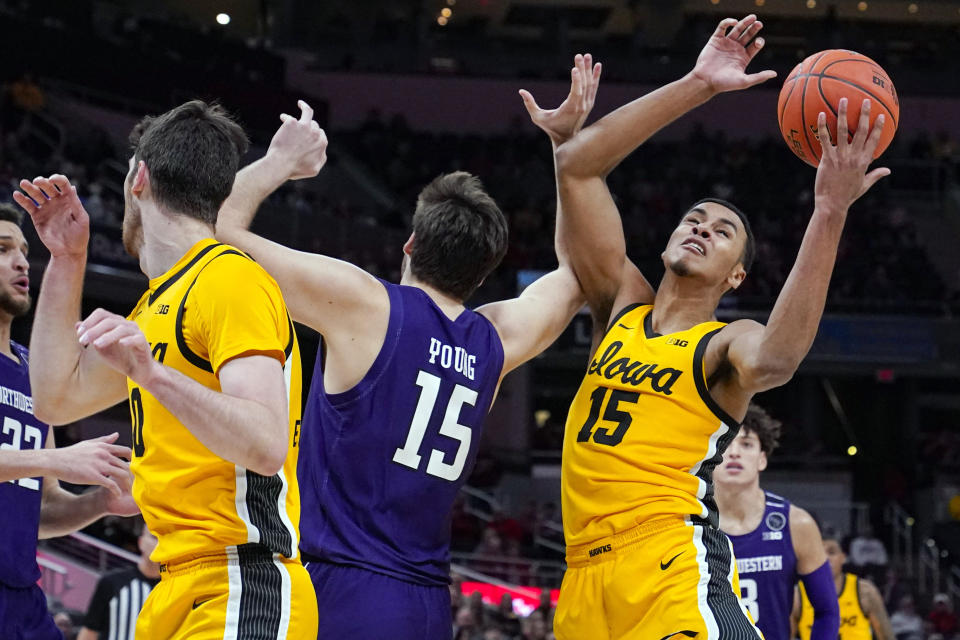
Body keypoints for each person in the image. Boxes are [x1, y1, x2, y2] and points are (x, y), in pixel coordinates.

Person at [520, 14, 891, 639]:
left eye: (723, 232)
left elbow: (777, 358)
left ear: (736, 277)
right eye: (694, 218)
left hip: (670, 565)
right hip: (583, 579)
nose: (701, 228)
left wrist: (828, 212)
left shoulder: (722, 344)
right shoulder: (621, 305)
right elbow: (578, 168)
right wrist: (699, 82)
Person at [215, 88, 590, 638]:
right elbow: (581, 270)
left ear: (411, 244)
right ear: (483, 276)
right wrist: (567, 147)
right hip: (428, 603)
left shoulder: (365, 304)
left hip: (338, 589)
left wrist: (277, 164)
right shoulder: (497, 340)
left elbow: (220, 235)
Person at [14, 100, 318, 639]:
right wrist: (66, 258)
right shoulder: (156, 307)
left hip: (242, 578)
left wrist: (152, 374)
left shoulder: (230, 280)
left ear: (138, 179)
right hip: (175, 582)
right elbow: (54, 399)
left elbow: (266, 442)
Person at [0, 202, 138, 640]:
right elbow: (45, 464)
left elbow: (41, 508)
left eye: (23, 250)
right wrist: (55, 459)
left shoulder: (33, 372)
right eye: (3, 249)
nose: (22, 260)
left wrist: (100, 501)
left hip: (21, 596)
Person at [714, 404, 839, 639]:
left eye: (746, 444)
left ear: (762, 459)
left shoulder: (796, 523)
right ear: (710, 456)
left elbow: (827, 611)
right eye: (725, 442)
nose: (734, 452)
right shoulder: (688, 522)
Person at [794, 536, 894, 639]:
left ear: (843, 557)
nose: (826, 558)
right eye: (819, 553)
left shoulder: (864, 591)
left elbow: (886, 637)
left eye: (831, 552)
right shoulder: (798, 595)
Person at [78, 523, 161, 640]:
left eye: (164, 538)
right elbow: (89, 632)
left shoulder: (177, 590)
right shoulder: (112, 583)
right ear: (141, 542)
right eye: (154, 537)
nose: (158, 543)